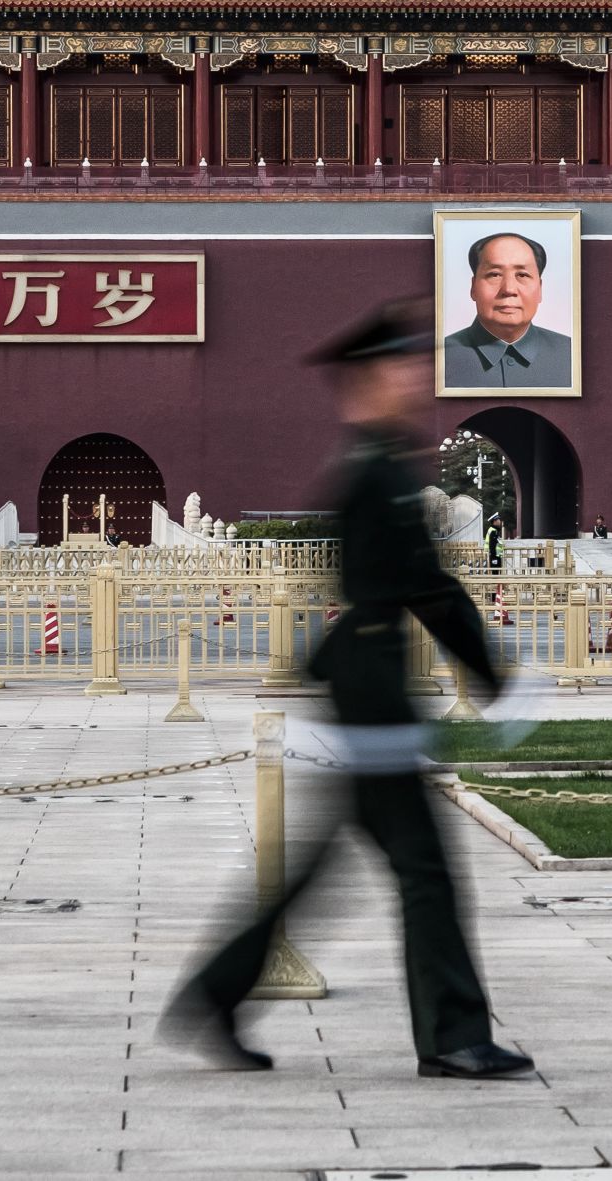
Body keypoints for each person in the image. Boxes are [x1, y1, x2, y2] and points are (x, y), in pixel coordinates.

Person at [163, 300, 535, 1082]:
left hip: (365, 693)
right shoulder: (376, 478)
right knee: (426, 875)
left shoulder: (382, 467)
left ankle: (218, 989)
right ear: (369, 380)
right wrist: (495, 675)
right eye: (404, 367)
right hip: (372, 703)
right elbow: (426, 589)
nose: (417, 380)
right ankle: (454, 1034)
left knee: (330, 872)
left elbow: (419, 589)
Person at [443, 232, 574, 388]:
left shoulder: (573, 355)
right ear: (473, 288)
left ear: (540, 289)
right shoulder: (437, 358)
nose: (509, 289)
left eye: (522, 275)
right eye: (494, 274)